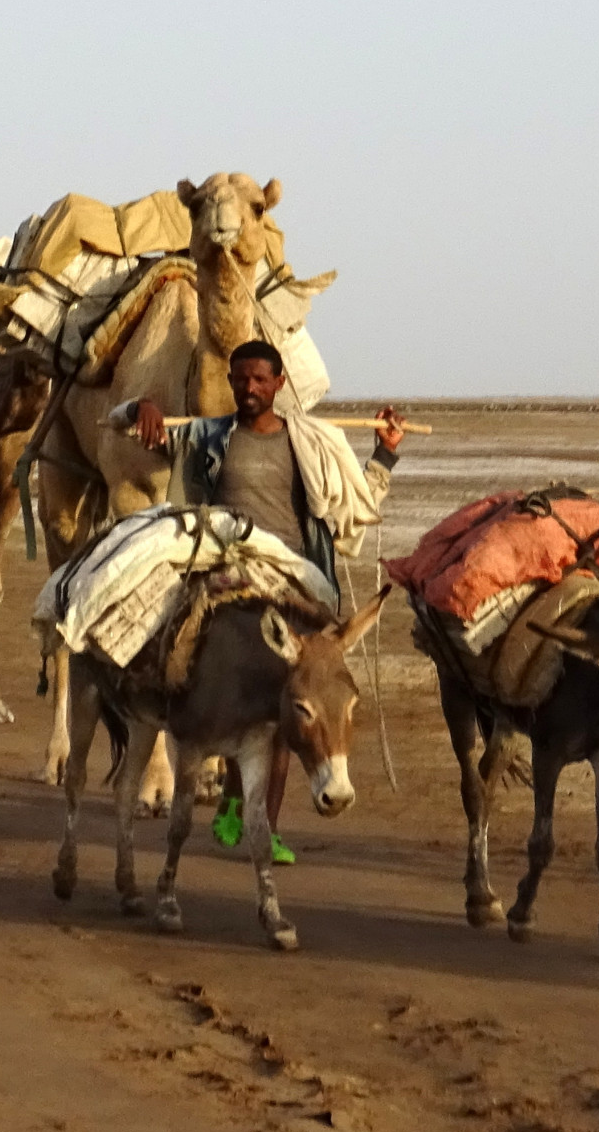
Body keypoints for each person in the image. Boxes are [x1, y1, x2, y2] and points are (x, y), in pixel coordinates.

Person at [115, 341, 410, 862]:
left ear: (278, 384)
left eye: (260, 380)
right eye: (241, 379)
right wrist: (138, 407)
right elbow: (124, 429)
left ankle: (265, 825)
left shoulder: (311, 444)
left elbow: (353, 505)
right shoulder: (205, 436)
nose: (249, 389)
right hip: (229, 577)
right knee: (230, 694)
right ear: (231, 382)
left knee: (288, 713)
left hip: (296, 583)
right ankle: (229, 792)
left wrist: (386, 452)